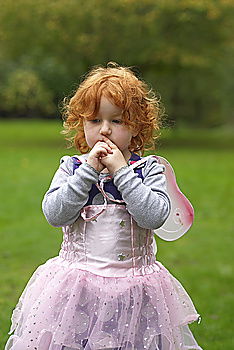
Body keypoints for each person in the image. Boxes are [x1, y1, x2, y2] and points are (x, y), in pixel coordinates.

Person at [5, 63, 202, 350]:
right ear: (81, 124)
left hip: (136, 290)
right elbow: (54, 214)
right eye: (95, 121)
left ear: (136, 126)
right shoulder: (72, 168)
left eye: (117, 121)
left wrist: (123, 172)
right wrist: (87, 173)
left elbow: (154, 217)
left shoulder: (147, 170)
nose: (105, 130)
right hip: (77, 289)